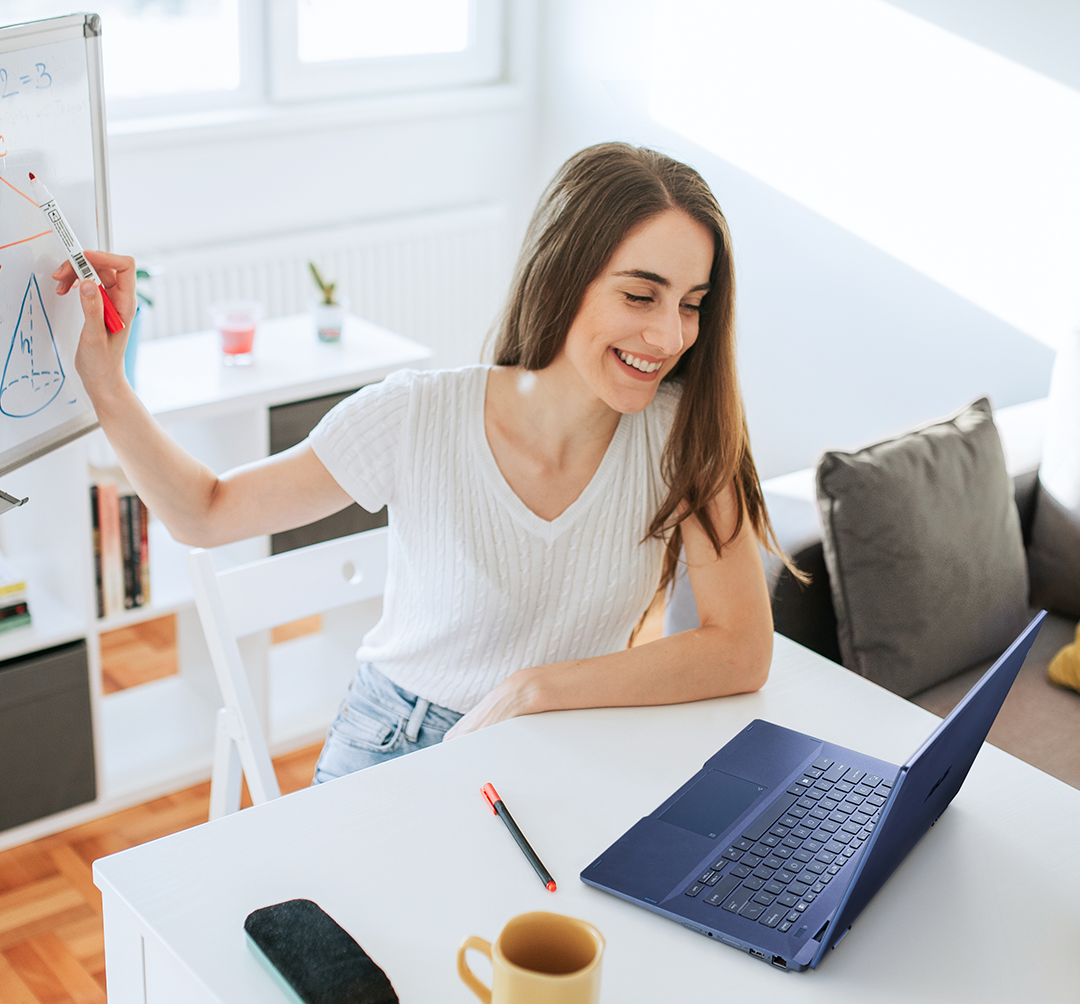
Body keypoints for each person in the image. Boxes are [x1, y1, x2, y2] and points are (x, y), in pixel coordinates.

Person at [59, 142, 785, 784]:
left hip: (560, 734)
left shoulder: (684, 437)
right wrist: (107, 383)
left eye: (692, 304)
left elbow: (742, 649)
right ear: (565, 275)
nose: (668, 335)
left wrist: (539, 689)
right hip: (396, 743)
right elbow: (206, 513)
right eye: (639, 294)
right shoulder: (417, 415)